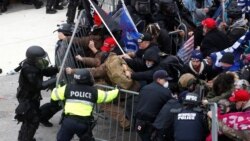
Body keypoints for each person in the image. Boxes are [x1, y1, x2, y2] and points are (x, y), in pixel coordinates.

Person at [51, 69, 120, 141]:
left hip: (68, 122)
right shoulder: (94, 91)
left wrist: (58, 87)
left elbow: (54, 95)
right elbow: (107, 96)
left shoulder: (67, 88)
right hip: (83, 124)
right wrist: (117, 90)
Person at [14, 46, 59, 141]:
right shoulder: (29, 70)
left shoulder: (35, 64)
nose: (42, 60)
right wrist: (54, 79)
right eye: (40, 59)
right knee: (31, 121)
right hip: (27, 98)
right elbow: (39, 85)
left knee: (33, 118)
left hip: (33, 96)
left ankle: (26, 138)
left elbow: (44, 71)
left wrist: (57, 69)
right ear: (33, 59)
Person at [135, 70, 172, 141]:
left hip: (140, 121)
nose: (167, 82)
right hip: (153, 123)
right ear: (158, 79)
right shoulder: (166, 92)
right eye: (165, 80)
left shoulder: (144, 88)